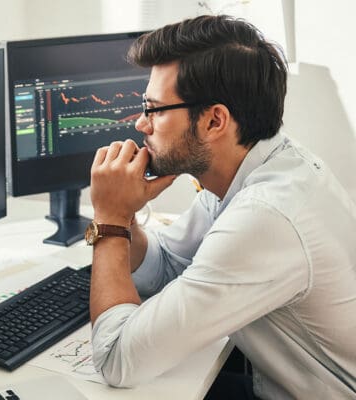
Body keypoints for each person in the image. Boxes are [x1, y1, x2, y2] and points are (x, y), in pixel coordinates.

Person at [87, 14, 356, 399]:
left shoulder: (266, 216)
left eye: (155, 109)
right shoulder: (253, 168)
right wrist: (124, 211)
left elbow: (117, 360)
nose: (141, 125)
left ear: (214, 121)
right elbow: (164, 266)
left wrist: (109, 220)